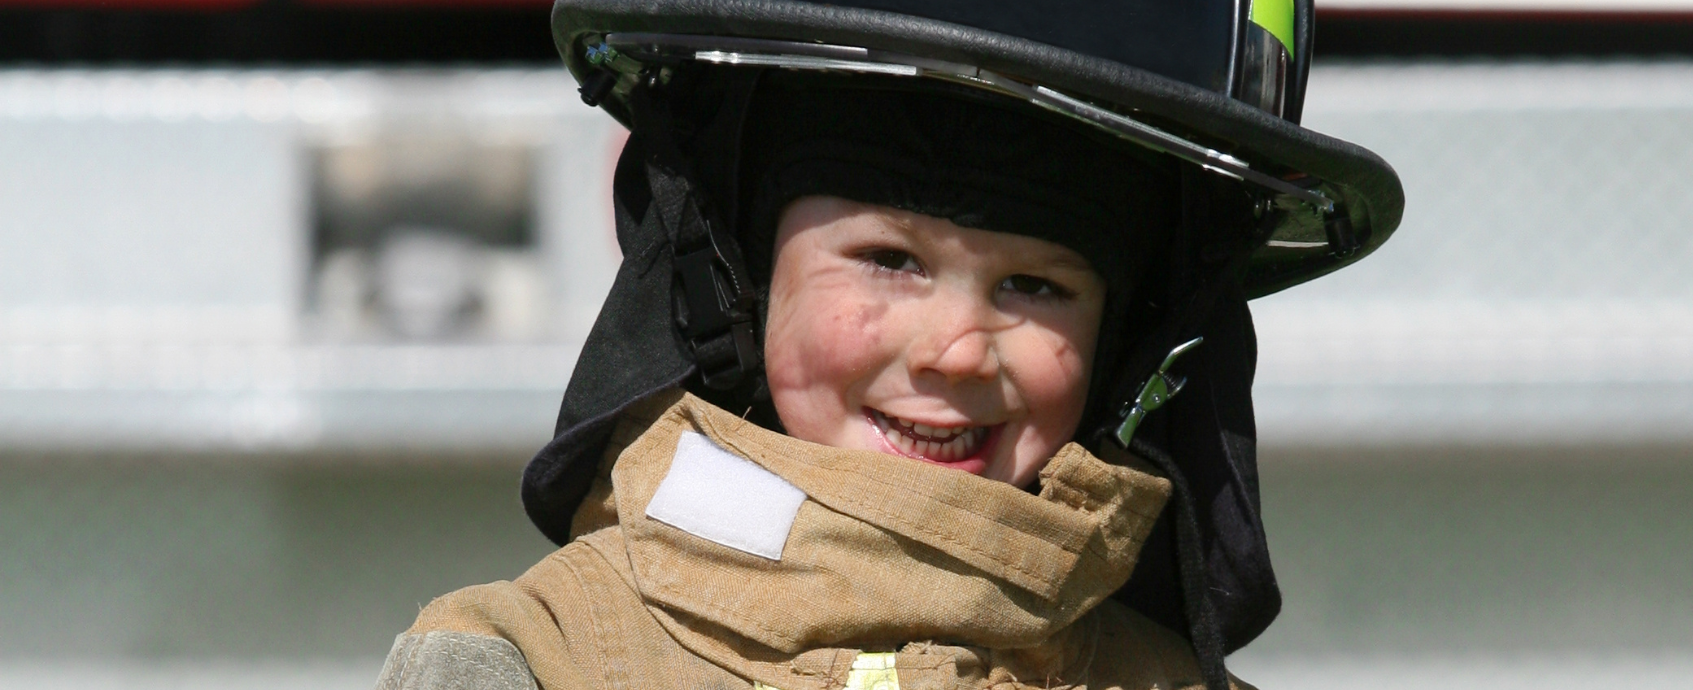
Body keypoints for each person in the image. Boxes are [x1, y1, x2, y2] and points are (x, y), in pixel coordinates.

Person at [375, 1, 1403, 689]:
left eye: (1035, 285)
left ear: (1137, 345)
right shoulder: (532, 664)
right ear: (731, 275)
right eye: (888, 260)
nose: (957, 349)